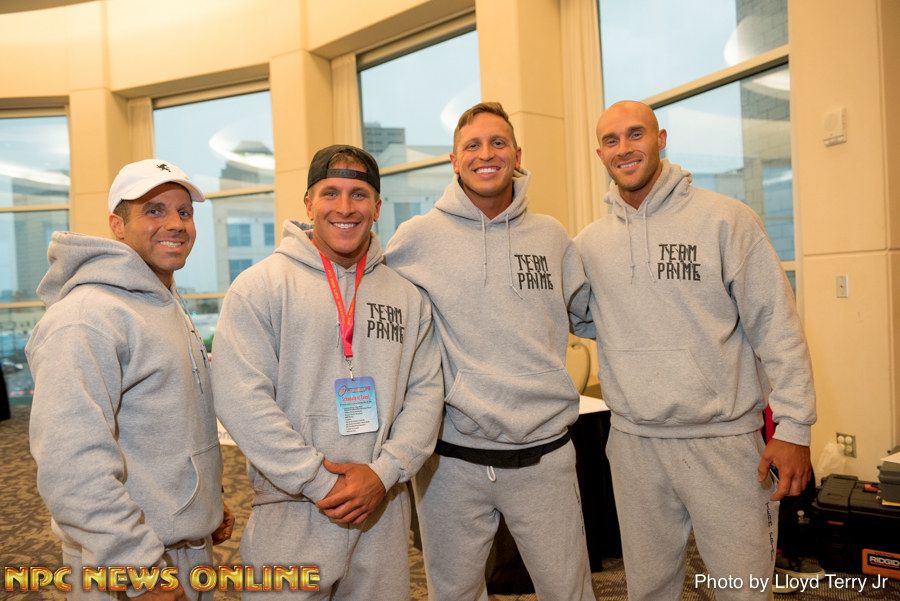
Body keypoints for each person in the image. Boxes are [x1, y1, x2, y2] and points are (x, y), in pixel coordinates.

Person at [574, 100, 816, 601]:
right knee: (648, 589)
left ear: (661, 139)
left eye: (636, 134)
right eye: (611, 140)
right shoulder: (590, 244)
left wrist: (794, 428)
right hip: (634, 443)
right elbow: (585, 318)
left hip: (723, 441)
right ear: (600, 154)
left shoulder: (726, 220)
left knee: (742, 588)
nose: (624, 148)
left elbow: (777, 327)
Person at [212, 145, 443, 600]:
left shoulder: (406, 297)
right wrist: (319, 481)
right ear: (308, 203)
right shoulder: (260, 287)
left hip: (382, 506)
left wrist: (384, 473)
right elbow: (242, 400)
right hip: (291, 507)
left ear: (377, 207)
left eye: (359, 195)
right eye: (330, 193)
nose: (344, 207)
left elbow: (426, 395)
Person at [385, 102, 595, 601]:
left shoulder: (551, 236)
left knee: (569, 591)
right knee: (454, 593)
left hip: (545, 455)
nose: (486, 154)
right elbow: (379, 315)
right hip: (451, 460)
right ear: (454, 161)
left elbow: (594, 317)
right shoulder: (417, 238)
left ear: (517, 155)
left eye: (498, 143)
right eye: (472, 145)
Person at [27, 159, 234, 601]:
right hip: (126, 566)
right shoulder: (86, 317)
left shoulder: (164, 301)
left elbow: (165, 425)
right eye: (154, 210)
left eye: (184, 212)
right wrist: (138, 568)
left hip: (180, 551)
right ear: (117, 225)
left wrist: (204, 505)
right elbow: (71, 465)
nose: (176, 224)